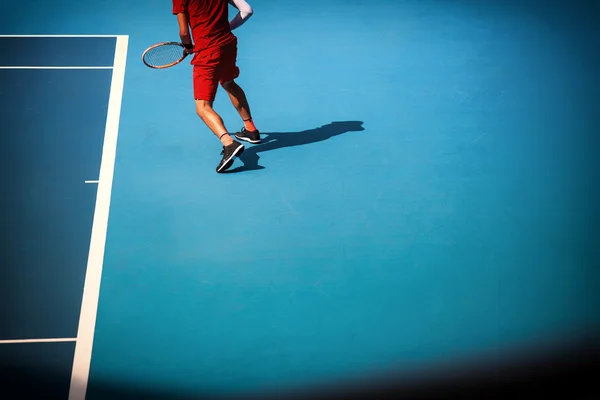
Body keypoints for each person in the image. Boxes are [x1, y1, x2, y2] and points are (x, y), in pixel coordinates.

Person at [172, 0, 260, 173]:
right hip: (227, 44)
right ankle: (251, 129)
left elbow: (184, 33)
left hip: (207, 51)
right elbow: (247, 10)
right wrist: (225, 28)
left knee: (202, 107)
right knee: (229, 83)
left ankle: (229, 143)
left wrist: (189, 47)